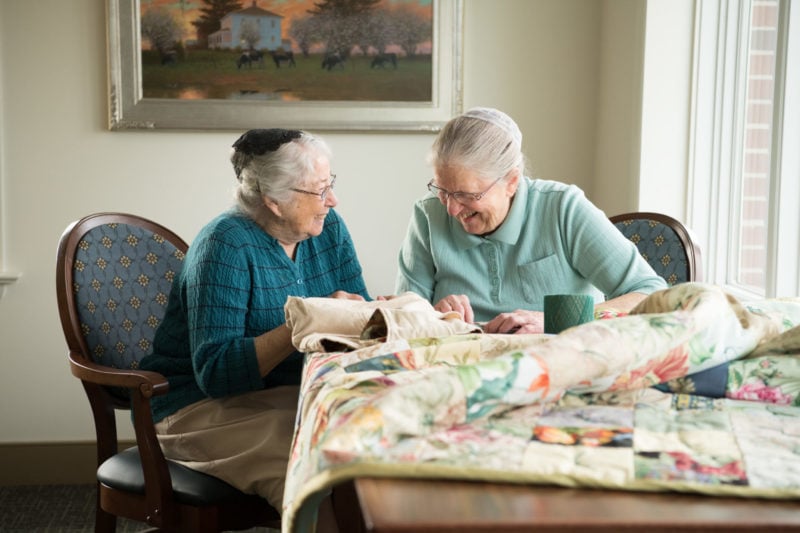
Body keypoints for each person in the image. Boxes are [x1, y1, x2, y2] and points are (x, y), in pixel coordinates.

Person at [140, 128, 369, 528]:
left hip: (292, 395)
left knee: (369, 443)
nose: (332, 200)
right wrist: (303, 321)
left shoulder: (328, 228)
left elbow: (357, 325)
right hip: (195, 408)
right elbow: (215, 373)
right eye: (319, 190)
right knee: (309, 462)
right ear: (274, 202)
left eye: (330, 183)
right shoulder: (224, 245)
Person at [395, 107, 667, 334]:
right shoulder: (428, 215)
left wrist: (553, 321)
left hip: (561, 362)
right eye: (443, 191)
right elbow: (403, 317)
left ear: (512, 182)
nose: (452, 209)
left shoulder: (563, 208)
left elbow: (650, 293)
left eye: (467, 195)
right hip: (462, 368)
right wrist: (434, 314)